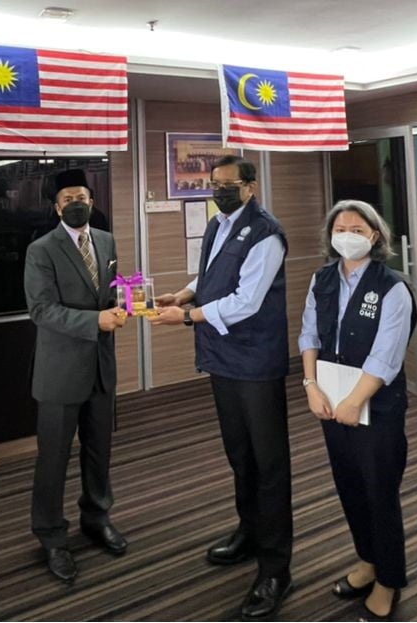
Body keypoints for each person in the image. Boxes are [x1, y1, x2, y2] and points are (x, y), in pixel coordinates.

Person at [152, 155, 293, 619]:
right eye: (214, 184)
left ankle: (276, 568)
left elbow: (247, 300)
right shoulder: (218, 225)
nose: (219, 191)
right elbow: (214, 274)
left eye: (229, 185)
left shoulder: (267, 233)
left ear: (250, 187)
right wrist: (186, 292)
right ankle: (249, 532)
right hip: (222, 358)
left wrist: (187, 316)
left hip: (256, 362)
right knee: (240, 454)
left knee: (269, 464)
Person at [299, 201, 416, 621]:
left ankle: (389, 580)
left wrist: (355, 401)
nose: (347, 235)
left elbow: (387, 355)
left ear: (375, 236)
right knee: (349, 486)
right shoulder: (322, 279)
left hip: (376, 407)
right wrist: (310, 385)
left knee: (379, 492)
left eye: (357, 229)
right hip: (330, 401)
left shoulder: (393, 287)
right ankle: (368, 561)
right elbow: (309, 335)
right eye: (340, 229)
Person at [24, 168, 127, 584]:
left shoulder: (106, 240)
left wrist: (130, 299)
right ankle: (51, 535)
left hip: (101, 368)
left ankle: (97, 517)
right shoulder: (41, 250)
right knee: (53, 458)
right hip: (60, 372)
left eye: (81, 197)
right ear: (57, 207)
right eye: (68, 199)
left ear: (92, 201)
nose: (76, 204)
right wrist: (95, 321)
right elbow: (41, 310)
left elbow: (111, 290)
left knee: (99, 451)